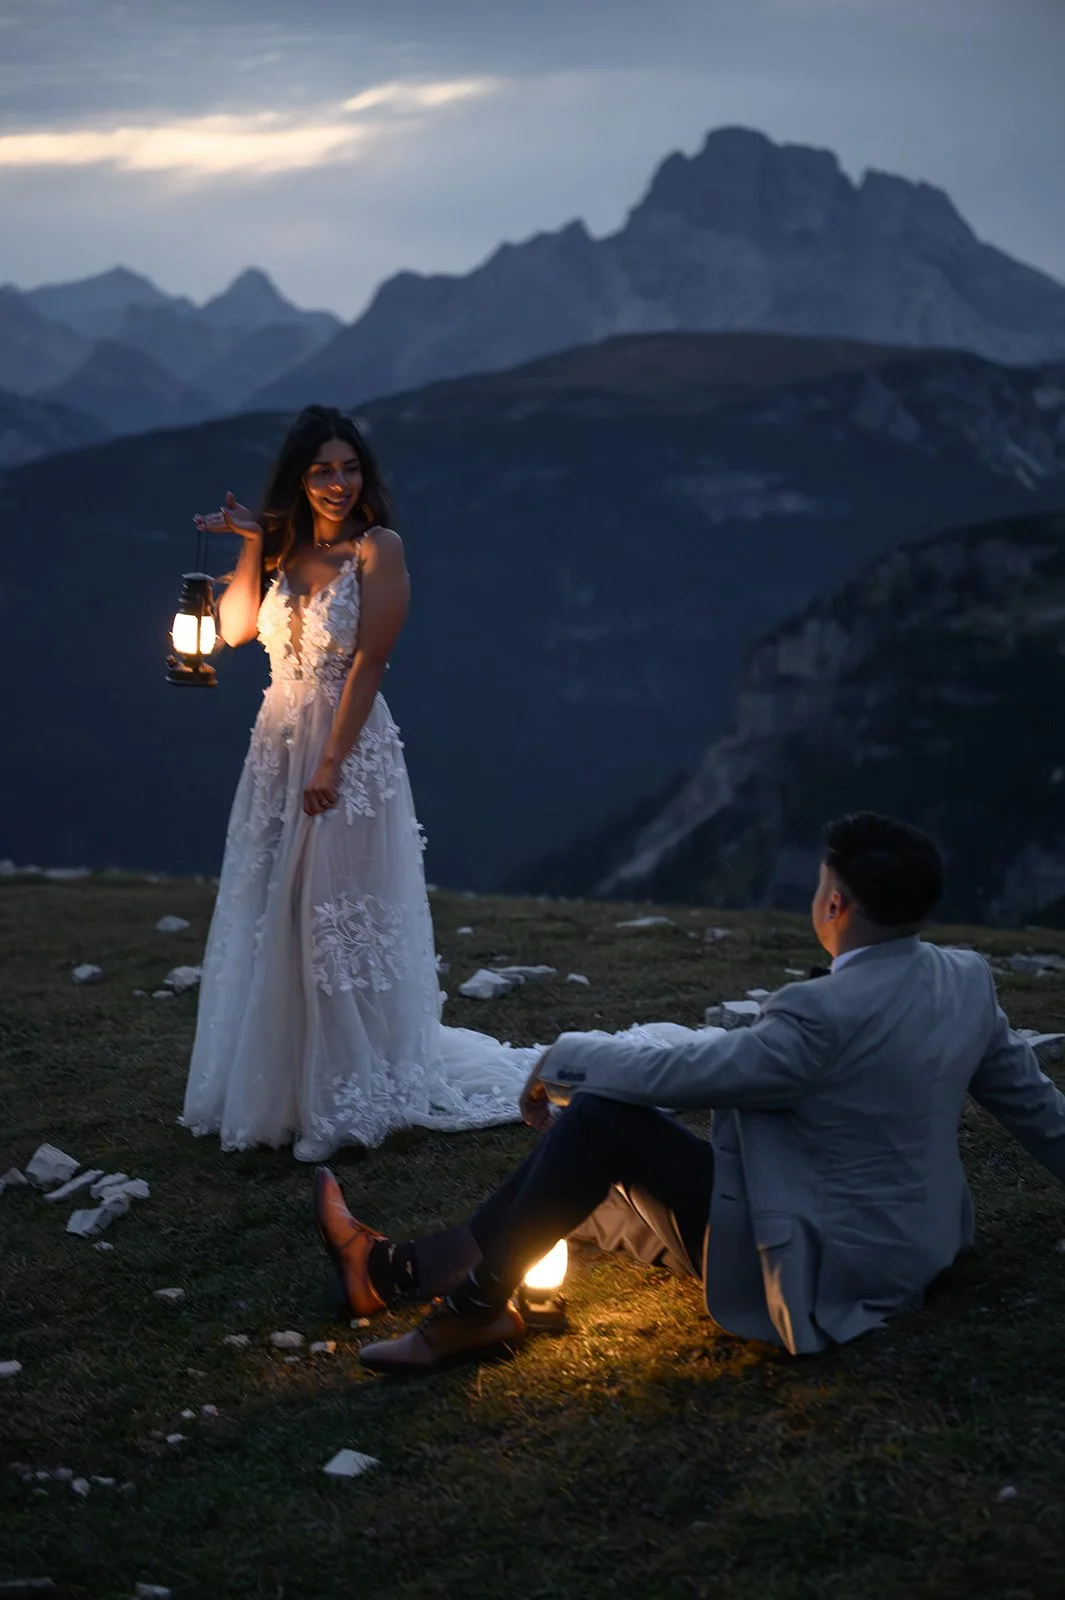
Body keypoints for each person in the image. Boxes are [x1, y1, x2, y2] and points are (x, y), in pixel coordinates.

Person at [313, 811, 1065, 1371]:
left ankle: (460, 1307)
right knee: (581, 1167)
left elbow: (681, 1076)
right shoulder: (964, 979)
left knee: (599, 1122)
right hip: (917, 1246)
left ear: (833, 905)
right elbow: (1034, 1108)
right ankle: (399, 1274)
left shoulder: (820, 1014)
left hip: (829, 1270)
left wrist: (562, 1059)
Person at [181, 405, 545, 1160]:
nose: (337, 483)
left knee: (329, 912)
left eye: (349, 468)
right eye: (322, 470)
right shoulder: (285, 549)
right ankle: (282, 1088)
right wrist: (252, 544)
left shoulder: (378, 548)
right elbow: (236, 630)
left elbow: (371, 662)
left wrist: (331, 764)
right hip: (277, 741)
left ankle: (344, 1089)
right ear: (299, 477)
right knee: (277, 910)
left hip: (344, 745)